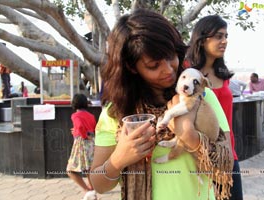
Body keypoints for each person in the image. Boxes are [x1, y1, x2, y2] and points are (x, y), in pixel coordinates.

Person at [90, 9, 233, 200]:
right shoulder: (116, 113)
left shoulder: (202, 98)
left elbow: (225, 169)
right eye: (153, 65)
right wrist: (118, 159)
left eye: (170, 56)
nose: (168, 69)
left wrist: (189, 135)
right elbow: (98, 184)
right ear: (132, 67)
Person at [186, 15, 243, 199]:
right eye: (219, 36)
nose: (224, 41)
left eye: (226, 36)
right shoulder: (186, 74)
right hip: (197, 154)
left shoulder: (223, 74)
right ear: (202, 39)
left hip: (227, 153)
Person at [66, 93, 97, 200]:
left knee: (70, 170)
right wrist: (81, 133)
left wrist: (82, 134)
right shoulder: (91, 116)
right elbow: (92, 129)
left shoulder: (75, 115)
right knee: (89, 169)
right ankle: (92, 190)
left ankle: (87, 190)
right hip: (92, 143)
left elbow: (79, 126)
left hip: (81, 143)